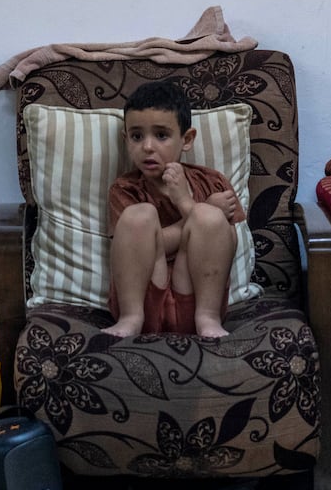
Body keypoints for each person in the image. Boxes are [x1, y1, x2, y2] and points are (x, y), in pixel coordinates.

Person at [99, 80, 245, 339]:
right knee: (139, 216)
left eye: (161, 135)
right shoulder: (125, 189)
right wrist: (198, 211)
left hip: (197, 298)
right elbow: (131, 249)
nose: (147, 147)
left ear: (186, 139)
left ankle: (208, 320)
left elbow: (227, 245)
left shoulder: (212, 182)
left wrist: (188, 204)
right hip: (142, 299)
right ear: (126, 139)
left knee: (210, 218)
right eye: (136, 136)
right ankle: (129, 319)